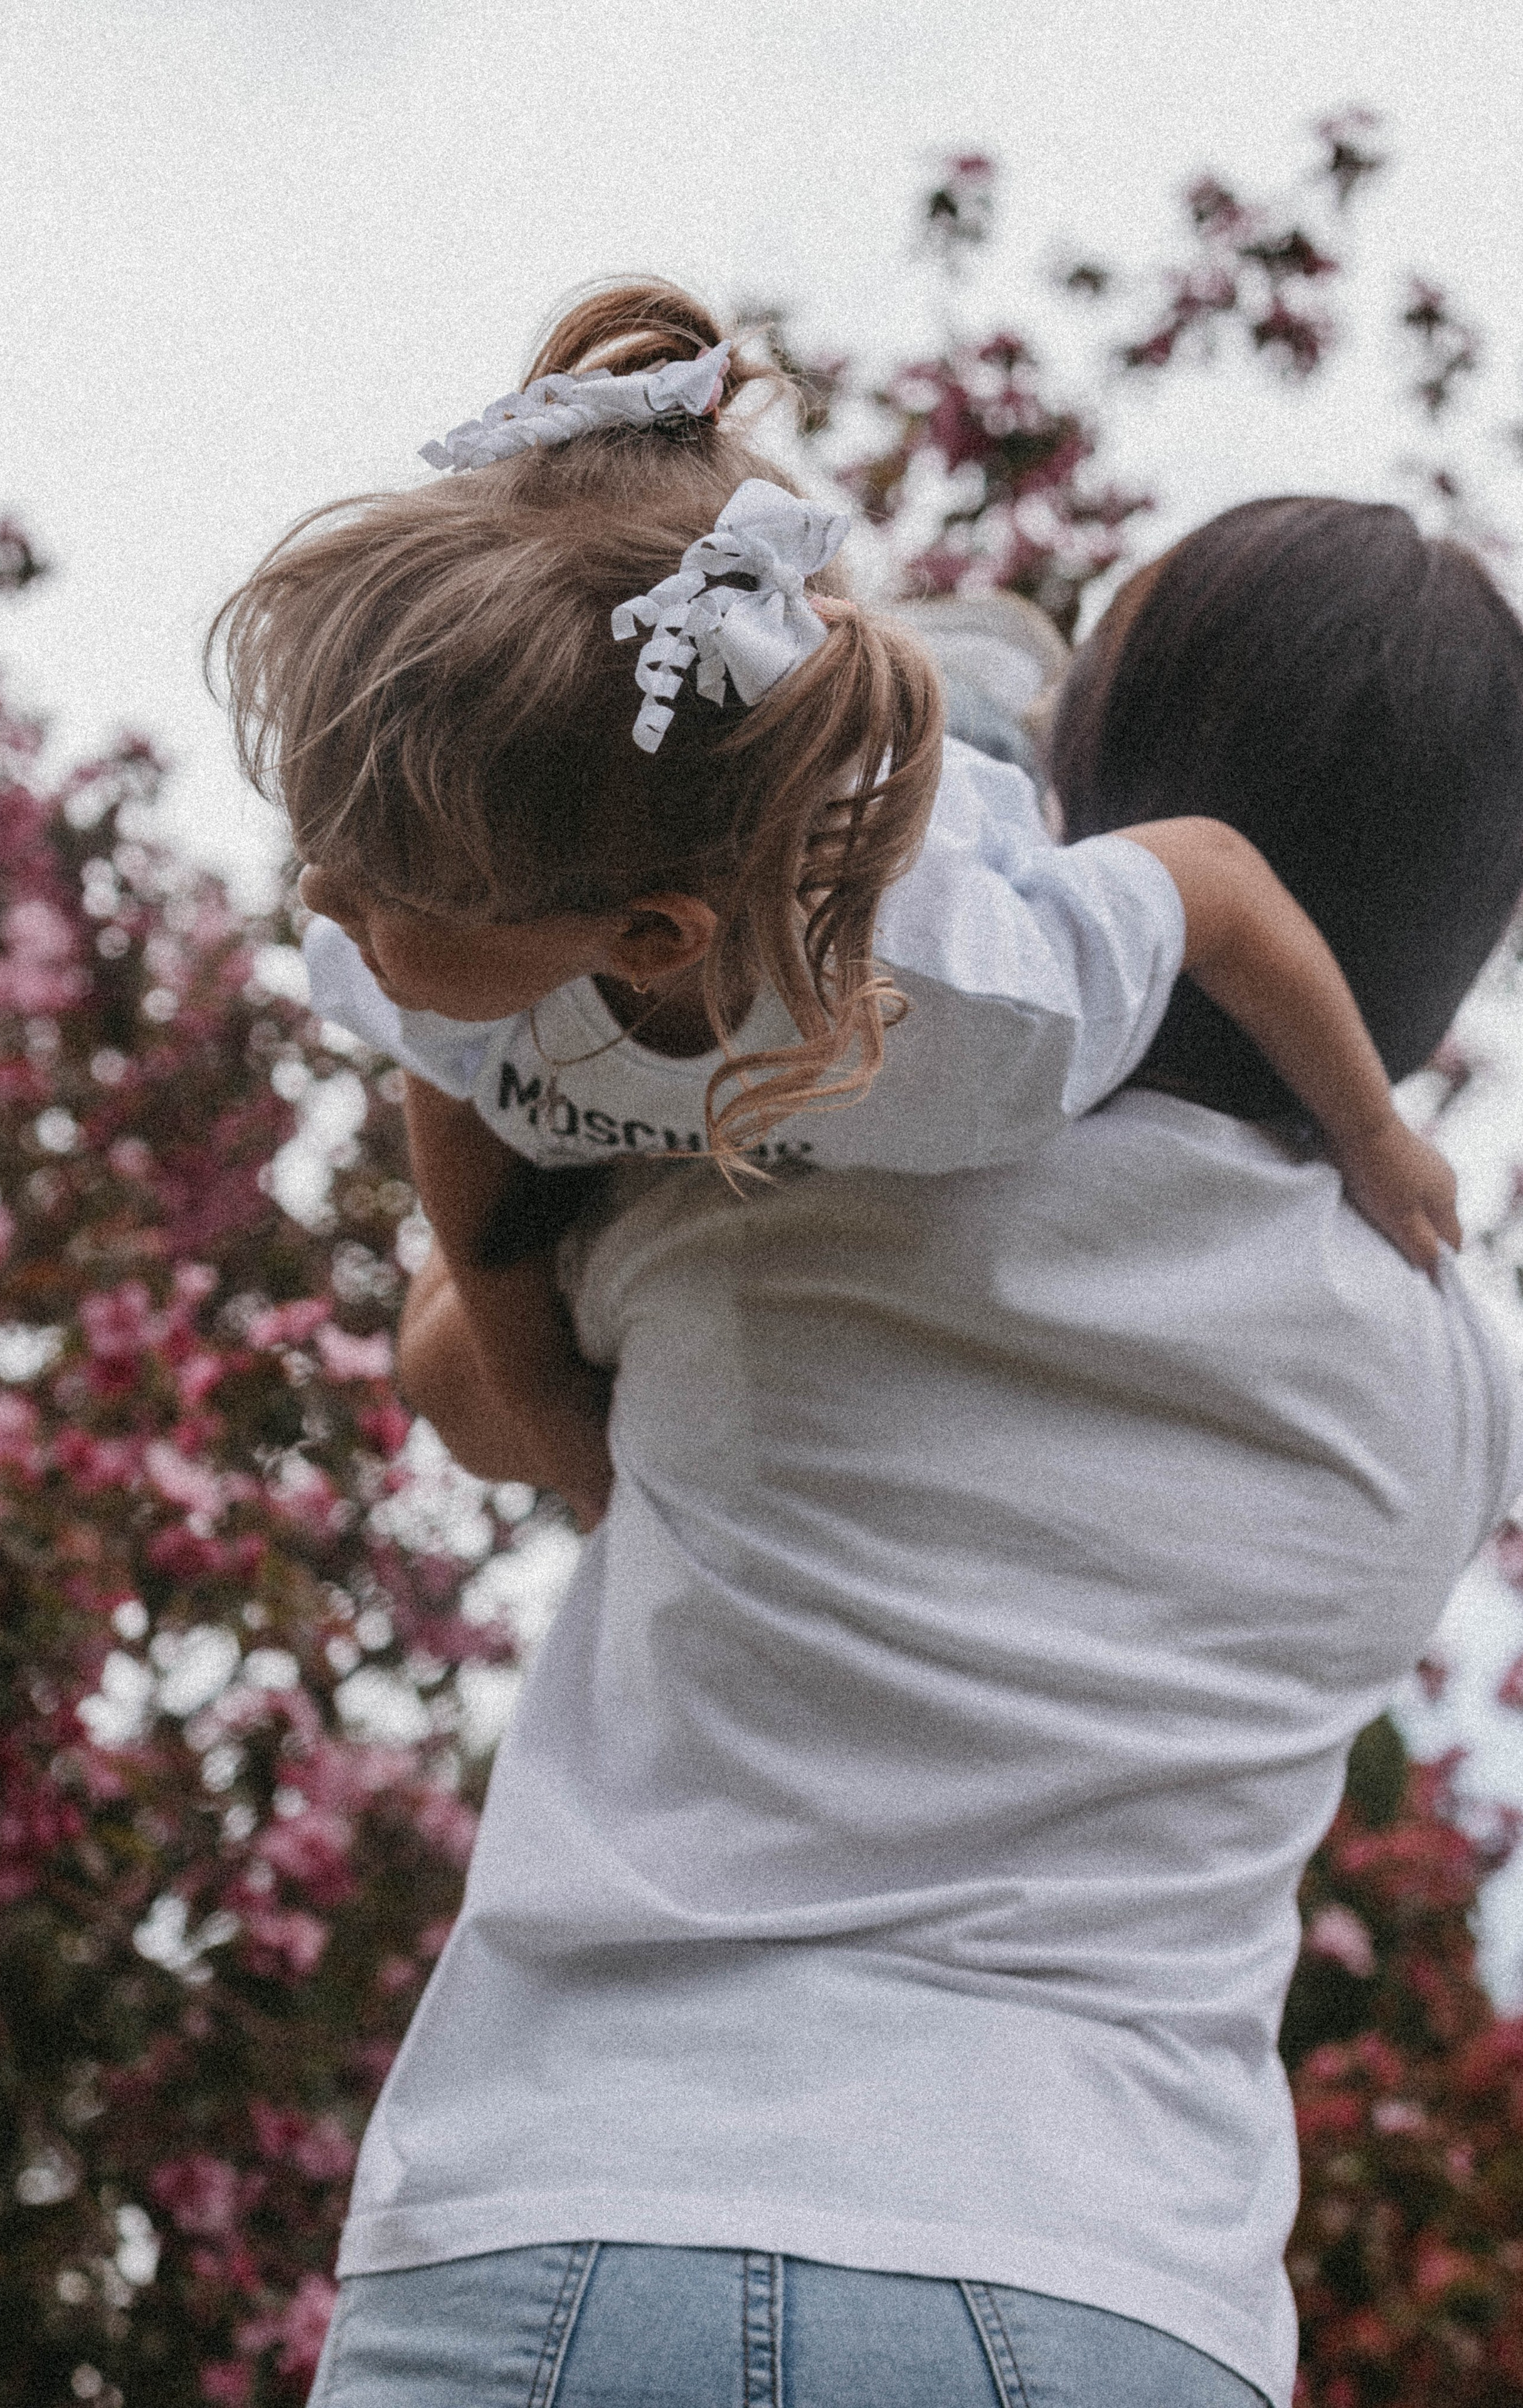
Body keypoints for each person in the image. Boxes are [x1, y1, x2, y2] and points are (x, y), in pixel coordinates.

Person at [301, 494, 1523, 2408]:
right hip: (1111, 2280)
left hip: (586, 2199)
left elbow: (457, 1378)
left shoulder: (787, 1161)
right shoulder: (1455, 1372)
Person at [211, 283, 1457, 1531]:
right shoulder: (455, 971)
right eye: (327, 850)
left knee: (954, 739)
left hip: (945, 804)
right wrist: (544, 1408)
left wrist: (1370, 1137)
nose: (320, 899)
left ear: (650, 935)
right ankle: (825, 647)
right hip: (748, 815)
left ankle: (951, 668)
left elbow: (1214, 883)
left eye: (386, 888)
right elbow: (463, 1111)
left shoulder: (991, 1001)